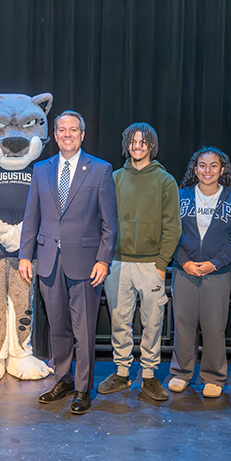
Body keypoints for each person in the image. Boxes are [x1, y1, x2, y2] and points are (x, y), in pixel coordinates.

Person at [19, 111, 118, 415]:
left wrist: (103, 260)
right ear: (55, 134)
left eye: (73, 130)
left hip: (86, 264)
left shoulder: (100, 169)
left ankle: (83, 388)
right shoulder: (41, 169)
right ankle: (63, 380)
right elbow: (31, 215)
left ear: (82, 135)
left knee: (83, 329)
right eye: (61, 130)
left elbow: (110, 223)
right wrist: (25, 254)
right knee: (58, 327)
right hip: (49, 261)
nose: (67, 135)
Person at [97, 123, 181, 401]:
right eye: (132, 141)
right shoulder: (115, 178)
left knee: (153, 321)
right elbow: (104, 221)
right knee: (119, 319)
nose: (137, 145)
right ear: (126, 145)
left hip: (150, 265)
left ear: (151, 146)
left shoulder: (165, 181)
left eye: (143, 141)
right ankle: (122, 372)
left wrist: (161, 263)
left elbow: (173, 227)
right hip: (118, 262)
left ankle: (148, 375)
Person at [168, 147, 231, 399]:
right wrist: (184, 261)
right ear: (195, 169)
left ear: (222, 170)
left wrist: (216, 262)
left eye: (214, 166)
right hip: (184, 270)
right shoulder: (180, 197)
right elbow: (170, 232)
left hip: (217, 272)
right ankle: (181, 373)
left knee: (214, 325)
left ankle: (213, 376)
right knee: (183, 324)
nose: (208, 171)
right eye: (202, 165)